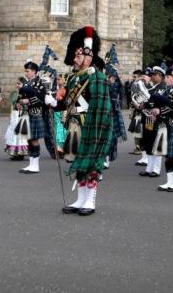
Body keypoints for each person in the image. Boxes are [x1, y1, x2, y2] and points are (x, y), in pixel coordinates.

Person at [46, 26, 120, 215]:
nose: (76, 59)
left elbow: (103, 108)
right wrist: (54, 102)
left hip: (91, 125)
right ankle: (80, 199)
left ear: (89, 57)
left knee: (91, 164)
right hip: (74, 125)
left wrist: (97, 128)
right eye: (76, 56)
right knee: (78, 163)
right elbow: (67, 104)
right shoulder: (73, 78)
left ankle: (90, 201)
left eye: (80, 56)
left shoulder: (97, 77)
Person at [17, 60, 49, 174]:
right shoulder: (27, 83)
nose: (26, 73)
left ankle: (35, 165)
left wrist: (27, 101)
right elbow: (20, 97)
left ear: (34, 71)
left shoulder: (40, 83)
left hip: (36, 113)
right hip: (27, 114)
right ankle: (31, 164)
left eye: (28, 71)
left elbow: (41, 99)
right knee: (29, 139)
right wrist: (19, 103)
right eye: (25, 71)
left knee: (34, 140)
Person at [141, 66, 166, 178]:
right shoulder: (152, 87)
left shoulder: (162, 88)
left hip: (159, 118)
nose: (152, 76)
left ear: (160, 76)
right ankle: (149, 168)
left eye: (155, 75)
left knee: (157, 143)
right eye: (152, 75)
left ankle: (156, 169)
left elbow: (156, 100)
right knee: (149, 142)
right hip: (149, 117)